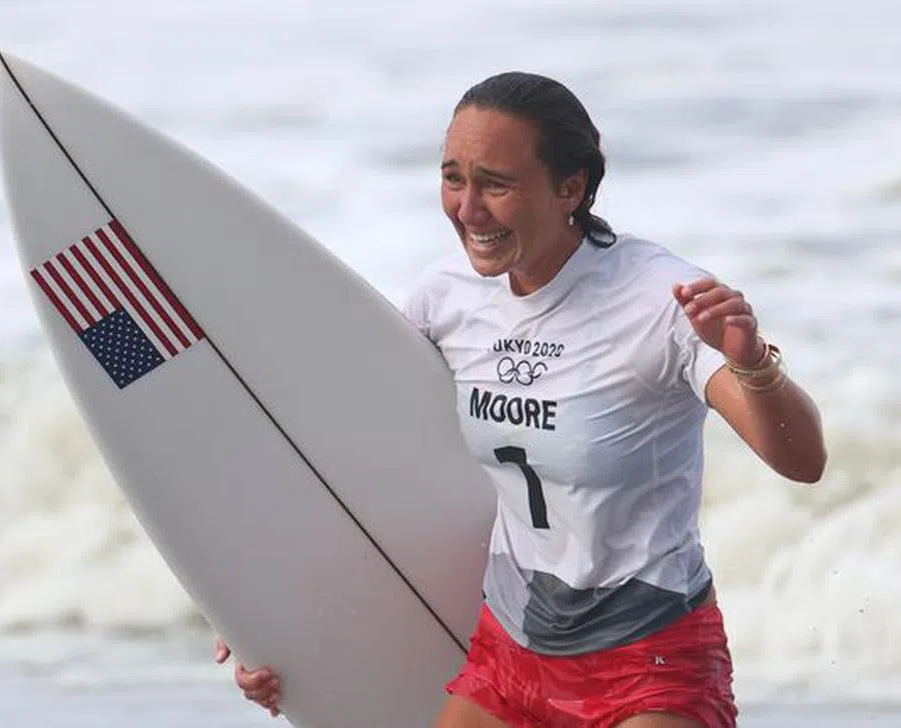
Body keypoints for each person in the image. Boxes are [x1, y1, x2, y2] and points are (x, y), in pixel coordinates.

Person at [214, 71, 827, 728]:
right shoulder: (447, 294)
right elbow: (349, 463)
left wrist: (750, 360)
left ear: (573, 187)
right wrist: (266, 617)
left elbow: (802, 460)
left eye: (496, 185)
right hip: (509, 652)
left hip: (647, 663)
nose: (467, 208)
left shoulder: (661, 300)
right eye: (454, 178)